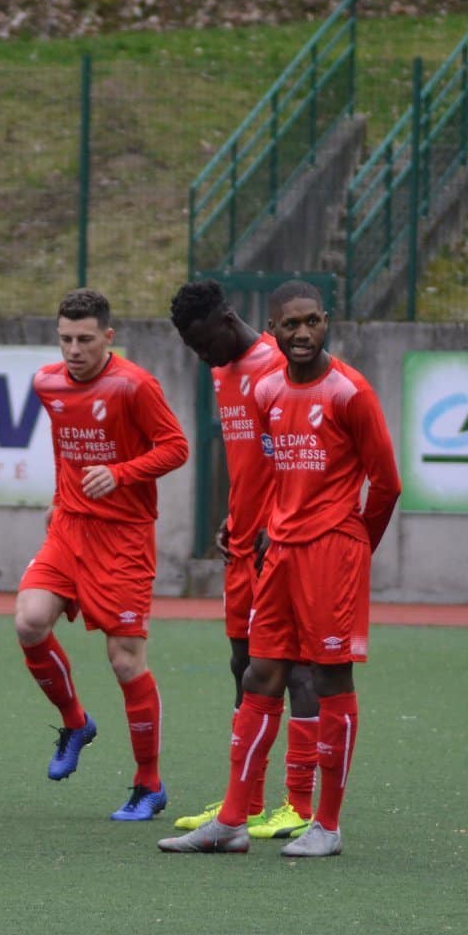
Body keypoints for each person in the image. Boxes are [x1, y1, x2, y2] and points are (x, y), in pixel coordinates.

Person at [160, 280, 401, 857]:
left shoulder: (351, 392)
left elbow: (387, 483)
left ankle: (327, 824)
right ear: (272, 328)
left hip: (331, 552)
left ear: (326, 322)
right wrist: (258, 521)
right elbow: (274, 470)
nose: (301, 333)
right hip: (280, 551)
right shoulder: (266, 390)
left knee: (328, 677)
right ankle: (232, 820)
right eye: (289, 324)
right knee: (258, 675)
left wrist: (353, 547)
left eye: (311, 322)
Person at [14, 288, 189, 821]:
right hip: (69, 527)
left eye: (85, 339)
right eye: (65, 338)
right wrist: (57, 497)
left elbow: (176, 446)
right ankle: (75, 722)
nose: (73, 349)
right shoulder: (46, 382)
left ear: (108, 337)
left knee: (124, 661)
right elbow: (66, 441)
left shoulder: (135, 386)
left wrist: (119, 473)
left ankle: (149, 784)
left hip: (124, 537)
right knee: (29, 622)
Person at [167, 279, 319, 841]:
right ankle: (245, 801)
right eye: (192, 348)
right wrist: (235, 516)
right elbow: (249, 457)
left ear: (228, 320)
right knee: (242, 664)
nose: (201, 355)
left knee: (296, 667)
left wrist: (276, 520)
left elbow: (300, 455)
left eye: (204, 342)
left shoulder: (276, 365)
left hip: (285, 542)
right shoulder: (220, 370)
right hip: (243, 544)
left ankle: (299, 803)